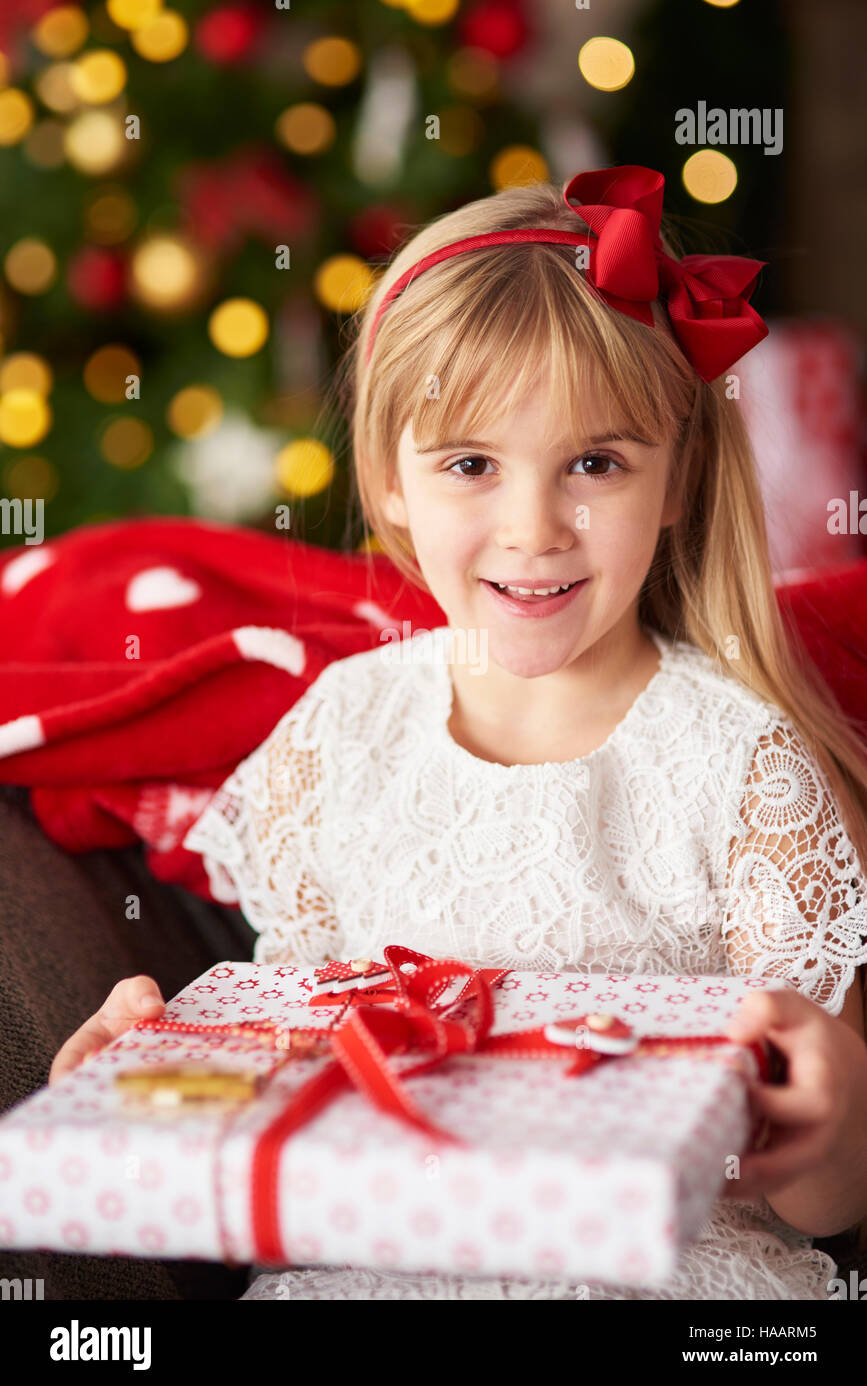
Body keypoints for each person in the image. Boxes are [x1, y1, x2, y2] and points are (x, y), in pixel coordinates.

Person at [50, 165, 867, 1300]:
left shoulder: (744, 767)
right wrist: (146, 1079)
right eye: (472, 464)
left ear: (676, 476)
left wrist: (834, 1117)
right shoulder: (338, 736)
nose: (533, 527)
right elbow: (300, 1080)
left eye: (595, 462)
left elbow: (821, 1204)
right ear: (391, 483)